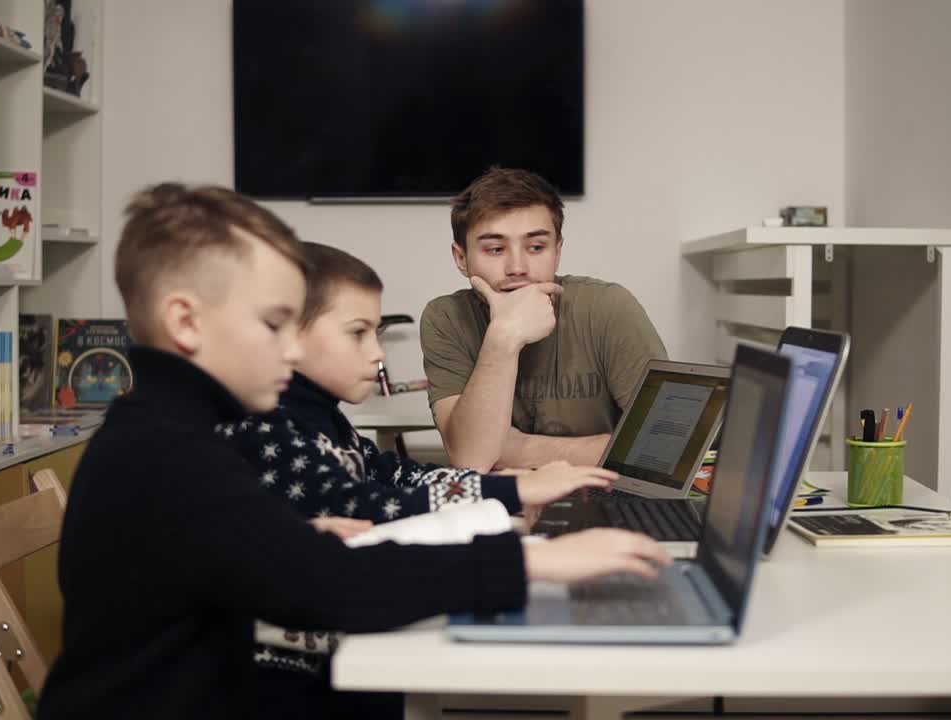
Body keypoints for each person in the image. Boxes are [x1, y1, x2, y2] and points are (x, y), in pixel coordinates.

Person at [37, 182, 669, 719]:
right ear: (186, 322)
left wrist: (294, 541)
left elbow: (243, 560)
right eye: (274, 324)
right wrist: (538, 563)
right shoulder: (173, 454)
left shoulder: (164, 430)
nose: (293, 351)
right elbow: (333, 588)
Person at [225, 243, 618, 716]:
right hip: (291, 691)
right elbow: (360, 505)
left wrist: (510, 483)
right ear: (288, 335)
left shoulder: (320, 416)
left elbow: (391, 473)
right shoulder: (265, 424)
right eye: (358, 334)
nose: (377, 354)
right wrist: (510, 491)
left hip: (341, 659)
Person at [421, 167, 667, 472]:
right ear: (461, 258)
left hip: (600, 491)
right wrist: (503, 338)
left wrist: (519, 449)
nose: (517, 267)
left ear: (557, 251)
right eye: (495, 249)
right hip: (505, 501)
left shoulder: (607, 307)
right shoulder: (446, 318)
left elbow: (665, 446)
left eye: (536, 247)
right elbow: (472, 458)